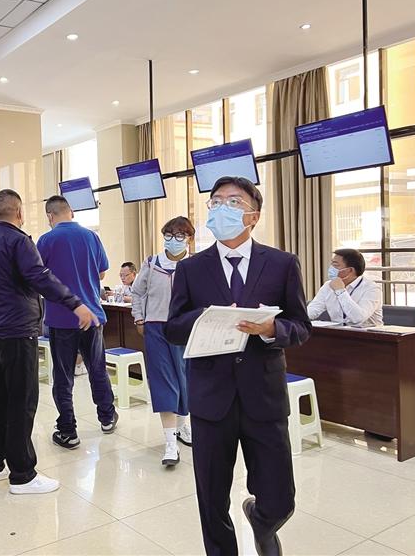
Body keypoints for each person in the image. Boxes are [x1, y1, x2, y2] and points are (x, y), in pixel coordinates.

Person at [165, 176, 312, 556]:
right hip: (211, 398)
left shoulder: (281, 264)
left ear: (253, 215)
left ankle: (262, 521)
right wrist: (206, 317)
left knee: (280, 498)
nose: (221, 208)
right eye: (216, 202)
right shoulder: (191, 269)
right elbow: (173, 328)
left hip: (263, 396)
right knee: (212, 499)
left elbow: (301, 326)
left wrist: (272, 329)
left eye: (233, 202)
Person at [0, 189, 98, 494]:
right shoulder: (18, 241)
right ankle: (22, 474)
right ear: (19, 212)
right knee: (22, 402)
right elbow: (40, 277)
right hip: (16, 332)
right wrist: (75, 303)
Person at [36, 195, 118, 450]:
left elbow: (37, 276)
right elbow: (102, 272)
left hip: (61, 319)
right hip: (92, 316)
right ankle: (107, 417)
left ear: (50, 216)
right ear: (70, 212)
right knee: (97, 369)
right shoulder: (92, 236)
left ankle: (68, 430)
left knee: (63, 376)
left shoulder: (46, 240)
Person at [131, 216, 195, 466]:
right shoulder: (151, 263)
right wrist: (139, 318)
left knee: (184, 380)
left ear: (189, 238)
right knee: (163, 382)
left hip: (185, 329)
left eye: (179, 236)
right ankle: (170, 443)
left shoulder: (195, 265)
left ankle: (182, 426)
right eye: (168, 235)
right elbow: (137, 292)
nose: (173, 240)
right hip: (156, 328)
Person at [307, 248, 383, 327]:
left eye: (335, 265)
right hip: (339, 332)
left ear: (350, 270)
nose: (331, 268)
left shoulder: (372, 289)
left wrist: (340, 291)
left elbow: (358, 318)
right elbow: (313, 310)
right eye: (331, 264)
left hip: (366, 333)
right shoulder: (328, 285)